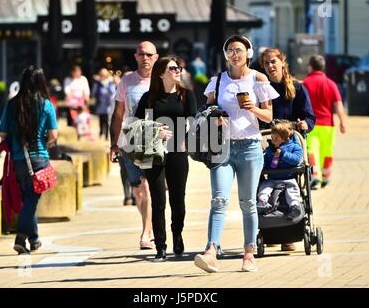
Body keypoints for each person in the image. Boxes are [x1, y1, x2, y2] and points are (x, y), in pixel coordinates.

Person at [194, 35, 279, 273]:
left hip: (250, 147)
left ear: (248, 53)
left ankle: (249, 253)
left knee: (248, 203)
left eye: (239, 50)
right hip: (223, 148)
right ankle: (211, 251)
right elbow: (207, 111)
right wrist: (215, 119)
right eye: (230, 50)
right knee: (218, 200)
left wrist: (254, 109)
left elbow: (270, 117)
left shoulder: (258, 79)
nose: (235, 54)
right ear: (226, 54)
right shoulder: (218, 81)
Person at [134, 56, 197, 261]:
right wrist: (154, 131)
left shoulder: (186, 96)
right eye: (173, 68)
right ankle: (160, 245)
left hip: (178, 153)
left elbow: (194, 123)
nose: (177, 70)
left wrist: (186, 138)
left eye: (179, 67)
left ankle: (177, 233)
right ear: (161, 73)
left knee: (178, 200)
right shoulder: (148, 98)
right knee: (158, 200)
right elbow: (135, 127)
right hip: (153, 154)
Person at [259, 47, 317, 252]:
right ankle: (270, 231)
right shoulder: (262, 89)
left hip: (292, 144)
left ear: (282, 62)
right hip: (269, 145)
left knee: (292, 186)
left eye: (273, 61)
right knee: (266, 186)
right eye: (266, 63)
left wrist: (304, 125)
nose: (270, 66)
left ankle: (289, 233)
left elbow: (310, 117)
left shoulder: (297, 88)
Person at [0, 66, 58, 254]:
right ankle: (21, 237)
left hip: (18, 159)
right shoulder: (46, 105)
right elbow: (53, 135)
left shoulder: (12, 104)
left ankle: (34, 239)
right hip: (39, 158)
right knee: (32, 200)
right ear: (41, 82)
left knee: (28, 199)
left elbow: (2, 132)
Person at [110, 41, 159, 250]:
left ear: (156, 57)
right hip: (128, 141)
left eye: (149, 54)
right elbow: (118, 113)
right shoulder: (127, 81)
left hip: (152, 141)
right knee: (138, 190)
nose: (145, 58)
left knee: (148, 187)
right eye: (141, 54)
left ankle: (147, 233)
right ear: (136, 56)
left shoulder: (161, 80)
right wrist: (113, 143)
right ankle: (149, 226)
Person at [303, 55, 346, 189]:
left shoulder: (306, 83)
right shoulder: (331, 83)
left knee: (312, 151)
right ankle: (326, 178)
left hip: (311, 125)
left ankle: (315, 177)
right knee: (326, 152)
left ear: (310, 67)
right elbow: (338, 104)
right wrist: (342, 122)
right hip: (328, 125)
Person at [257, 121, 303, 219]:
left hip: (289, 177)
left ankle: (294, 206)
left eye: (276, 138)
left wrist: (283, 154)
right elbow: (267, 163)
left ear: (286, 138)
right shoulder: (270, 149)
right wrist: (270, 157)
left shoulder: (295, 147)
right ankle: (262, 202)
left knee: (293, 190)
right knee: (264, 187)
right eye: (272, 138)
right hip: (272, 178)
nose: (272, 141)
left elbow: (296, 160)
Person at [92, 68, 116, 140]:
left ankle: (106, 135)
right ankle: (101, 133)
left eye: (104, 75)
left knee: (107, 120)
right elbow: (93, 93)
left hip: (108, 105)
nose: (102, 76)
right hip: (100, 104)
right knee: (101, 119)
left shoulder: (110, 83)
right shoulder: (97, 84)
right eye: (101, 75)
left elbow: (113, 92)